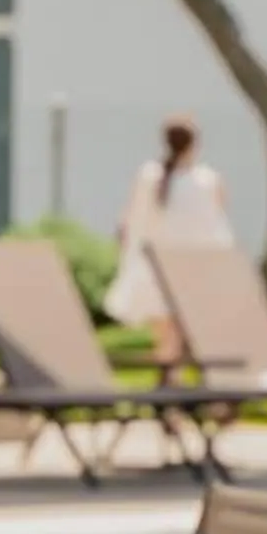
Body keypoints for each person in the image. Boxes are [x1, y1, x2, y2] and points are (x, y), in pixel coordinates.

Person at [106, 112, 233, 363]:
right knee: (179, 331)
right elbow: (218, 223)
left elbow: (129, 221)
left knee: (165, 333)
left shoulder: (149, 176)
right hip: (192, 273)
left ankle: (169, 374)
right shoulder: (206, 180)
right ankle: (172, 375)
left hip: (154, 273)